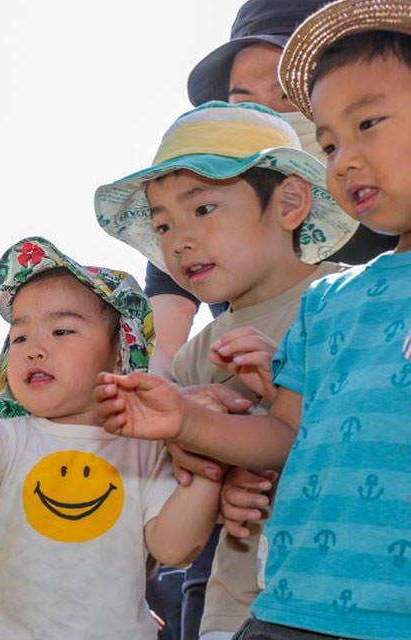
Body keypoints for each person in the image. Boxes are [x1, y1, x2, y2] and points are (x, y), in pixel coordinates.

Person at [95, 3, 411, 636]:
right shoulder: (330, 304)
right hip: (284, 610)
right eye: (328, 143)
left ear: (289, 203)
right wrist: (189, 421)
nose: (344, 158)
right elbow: (286, 437)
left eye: (368, 123)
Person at [0, 237, 220, 639]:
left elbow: (174, 547)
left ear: (120, 351)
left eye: (62, 330)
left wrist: (208, 470)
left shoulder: (144, 448)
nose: (34, 349)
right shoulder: (8, 440)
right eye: (19, 337)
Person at [95, 100, 357, 640]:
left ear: (289, 203)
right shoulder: (195, 357)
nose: (178, 240)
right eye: (162, 225)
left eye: (203, 209)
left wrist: (287, 390)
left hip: (341, 601)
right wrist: (217, 483)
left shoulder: (353, 303)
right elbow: (179, 505)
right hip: (231, 613)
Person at [147, 0, 397, 378]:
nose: (269, 116)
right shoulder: (188, 220)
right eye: (244, 103)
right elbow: (163, 356)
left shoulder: (388, 201)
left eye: (286, 96)